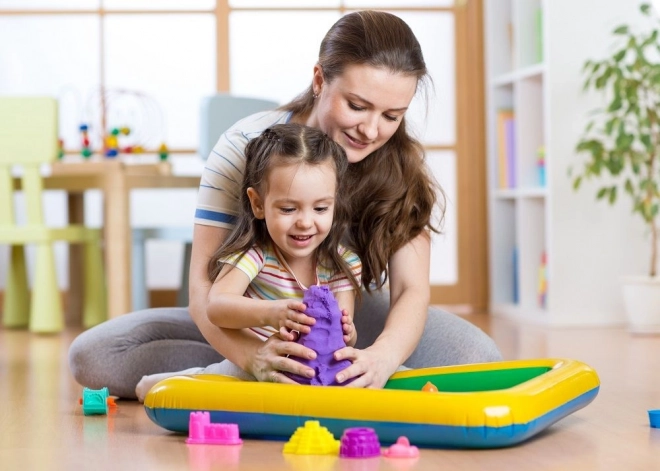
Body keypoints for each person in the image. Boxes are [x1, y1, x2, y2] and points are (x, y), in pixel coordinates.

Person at [69, 10, 502, 400]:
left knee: (477, 355)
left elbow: (411, 290)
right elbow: (204, 290)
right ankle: (238, 365)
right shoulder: (247, 145)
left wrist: (384, 356)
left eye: (392, 116)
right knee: (95, 356)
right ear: (319, 79)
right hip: (247, 305)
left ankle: (266, 370)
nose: (372, 130)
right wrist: (255, 356)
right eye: (357, 106)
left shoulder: (400, 165)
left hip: (346, 317)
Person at [134, 123, 362, 401]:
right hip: (255, 367)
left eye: (321, 208)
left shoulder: (343, 264)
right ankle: (167, 384)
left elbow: (343, 337)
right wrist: (272, 313)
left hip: (313, 375)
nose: (305, 222)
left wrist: (347, 332)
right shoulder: (256, 255)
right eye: (288, 209)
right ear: (257, 204)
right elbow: (216, 306)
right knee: (220, 382)